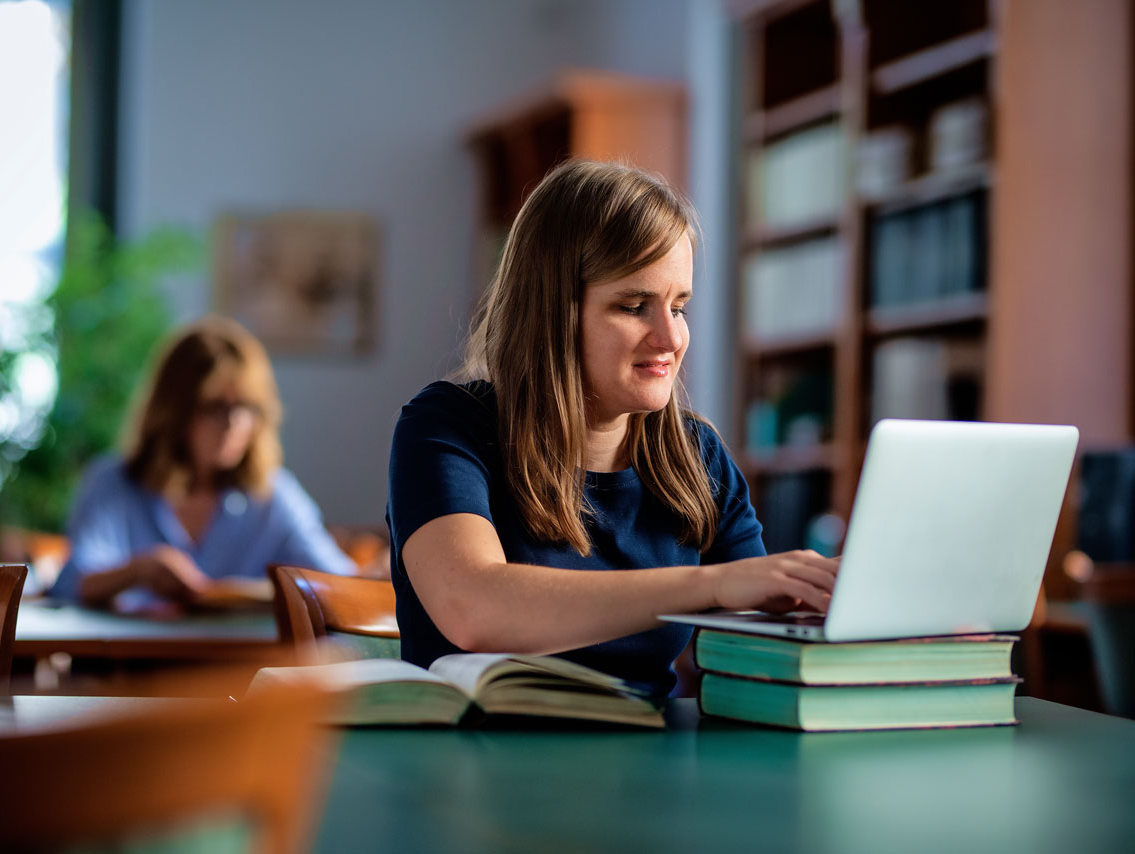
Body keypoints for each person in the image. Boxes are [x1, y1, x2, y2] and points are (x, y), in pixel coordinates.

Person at [387, 160, 839, 698]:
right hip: (480, 763)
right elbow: (473, 608)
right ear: (552, 312)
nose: (670, 338)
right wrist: (710, 585)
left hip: (655, 765)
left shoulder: (698, 455)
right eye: (633, 306)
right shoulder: (446, 424)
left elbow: (759, 641)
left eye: (680, 307)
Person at [51, 315, 356, 611]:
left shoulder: (273, 495)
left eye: (247, 408)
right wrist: (138, 571)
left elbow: (342, 584)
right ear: (174, 411)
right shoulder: (115, 483)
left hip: (244, 663)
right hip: (133, 661)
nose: (234, 424)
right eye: (215, 407)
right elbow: (70, 585)